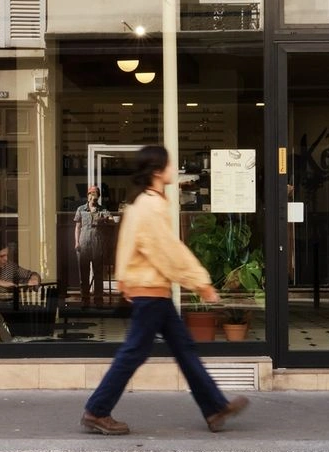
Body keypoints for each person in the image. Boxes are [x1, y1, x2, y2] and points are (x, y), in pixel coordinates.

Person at [80, 145, 248, 436]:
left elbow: (128, 244)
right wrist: (200, 282)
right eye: (170, 165)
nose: (174, 169)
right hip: (151, 291)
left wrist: (124, 279)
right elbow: (168, 251)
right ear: (158, 171)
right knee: (136, 352)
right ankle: (97, 410)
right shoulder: (151, 205)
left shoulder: (143, 202)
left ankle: (214, 408)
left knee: (182, 349)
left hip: (152, 290)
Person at [74, 185, 112, 305]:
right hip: (84, 242)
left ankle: (98, 298)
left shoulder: (102, 209)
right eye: (91, 193)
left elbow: (111, 219)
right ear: (88, 195)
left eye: (95, 193)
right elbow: (77, 227)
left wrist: (104, 219)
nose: (93, 196)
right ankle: (85, 298)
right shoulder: (81, 209)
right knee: (84, 272)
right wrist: (76, 242)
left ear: (98, 196)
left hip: (97, 242)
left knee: (98, 272)